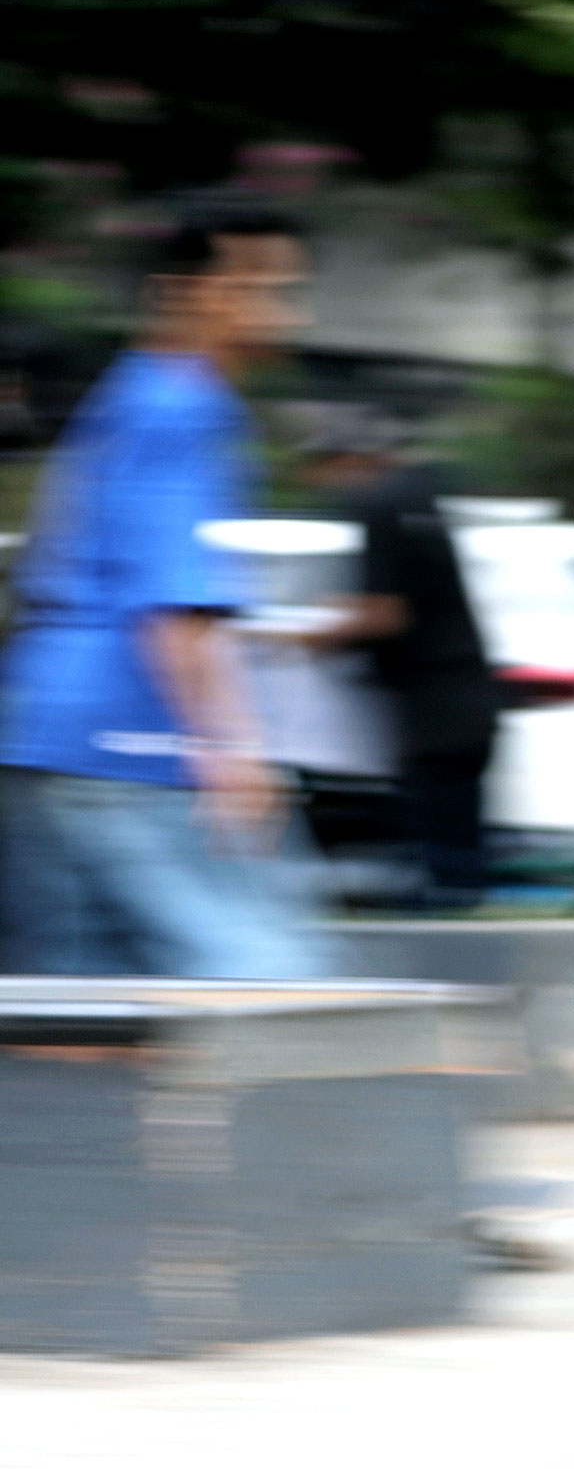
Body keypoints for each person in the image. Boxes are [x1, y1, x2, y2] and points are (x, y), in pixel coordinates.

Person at [0, 198, 328, 977]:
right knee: (274, 987)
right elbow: (177, 609)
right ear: (196, 293)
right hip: (133, 742)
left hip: (45, 731)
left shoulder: (130, 391)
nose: (292, 314)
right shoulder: (188, 409)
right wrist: (233, 754)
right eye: (270, 289)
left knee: (75, 1018)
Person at [296, 407, 504, 910]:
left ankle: (454, 966)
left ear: (346, 459)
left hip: (434, 715)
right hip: (466, 705)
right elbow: (411, 597)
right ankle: (470, 949)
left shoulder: (379, 504)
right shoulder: (418, 498)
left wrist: (307, 641)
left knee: (443, 879)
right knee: (459, 863)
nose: (326, 483)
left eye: (324, 468)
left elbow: (387, 617)